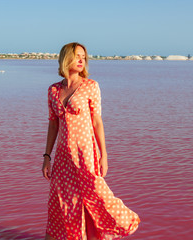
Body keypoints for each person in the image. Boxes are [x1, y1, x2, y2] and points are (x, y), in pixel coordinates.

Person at [42, 42, 140, 240]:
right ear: (65, 58)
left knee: (97, 196)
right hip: (62, 158)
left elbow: (97, 122)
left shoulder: (90, 86)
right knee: (63, 202)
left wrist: (104, 155)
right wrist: (46, 157)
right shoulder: (53, 90)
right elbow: (53, 125)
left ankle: (124, 223)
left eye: (83, 57)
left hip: (85, 154)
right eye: (77, 55)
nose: (81, 60)